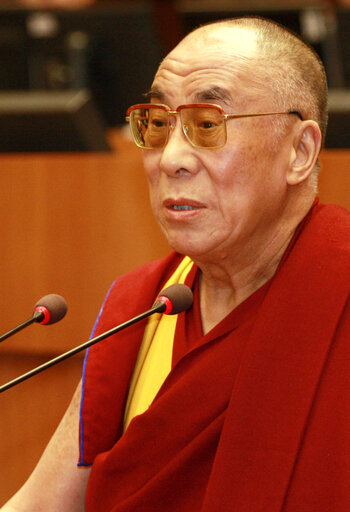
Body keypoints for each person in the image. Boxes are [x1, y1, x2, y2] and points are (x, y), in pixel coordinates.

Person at [2, 15, 350, 512]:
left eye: (207, 125)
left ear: (300, 150)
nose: (170, 159)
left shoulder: (339, 287)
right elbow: (40, 505)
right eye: (158, 124)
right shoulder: (143, 306)